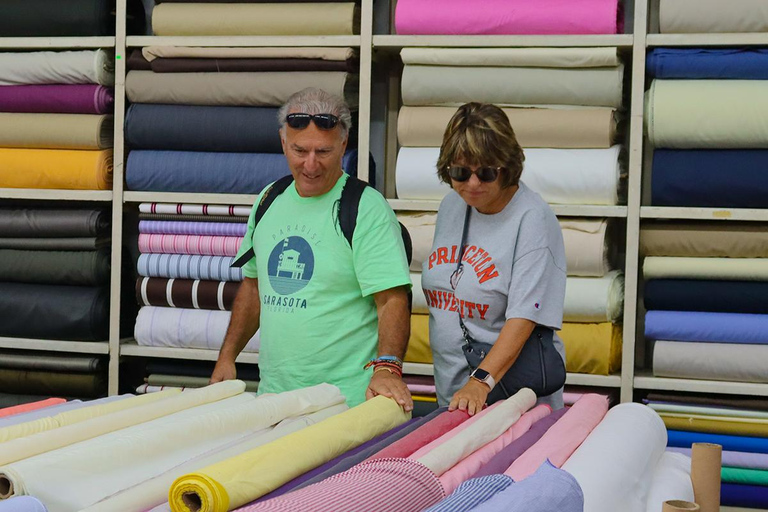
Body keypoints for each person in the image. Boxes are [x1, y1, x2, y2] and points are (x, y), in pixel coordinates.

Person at [210, 87, 413, 411]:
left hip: (344, 403)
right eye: (299, 150)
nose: (310, 164)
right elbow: (253, 286)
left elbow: (391, 299)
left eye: (323, 151)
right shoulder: (268, 199)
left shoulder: (365, 207)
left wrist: (388, 369)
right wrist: (227, 357)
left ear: (344, 144)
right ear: (283, 141)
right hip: (274, 399)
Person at [421, 102, 567, 415]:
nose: (472, 184)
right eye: (460, 172)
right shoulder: (451, 206)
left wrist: (482, 380)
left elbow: (524, 316)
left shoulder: (532, 219)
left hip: (510, 399)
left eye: (486, 173)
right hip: (455, 395)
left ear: (507, 166)